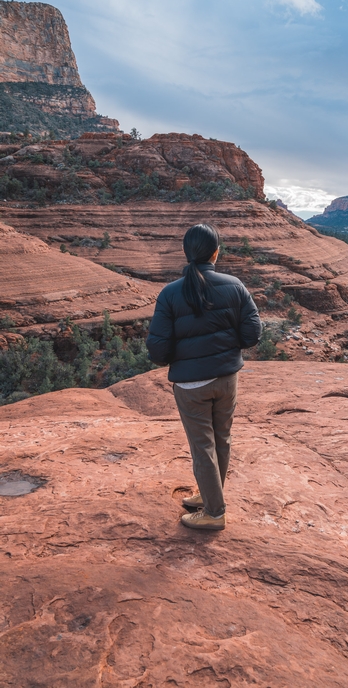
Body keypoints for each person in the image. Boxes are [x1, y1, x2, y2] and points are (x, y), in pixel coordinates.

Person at [146, 223, 261, 530]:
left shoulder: (170, 294)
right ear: (216, 253)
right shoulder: (235, 286)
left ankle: (214, 511)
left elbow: (157, 349)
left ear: (187, 254)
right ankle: (209, 495)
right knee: (221, 439)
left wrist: (183, 357)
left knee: (202, 446)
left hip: (191, 385)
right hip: (226, 379)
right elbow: (252, 335)